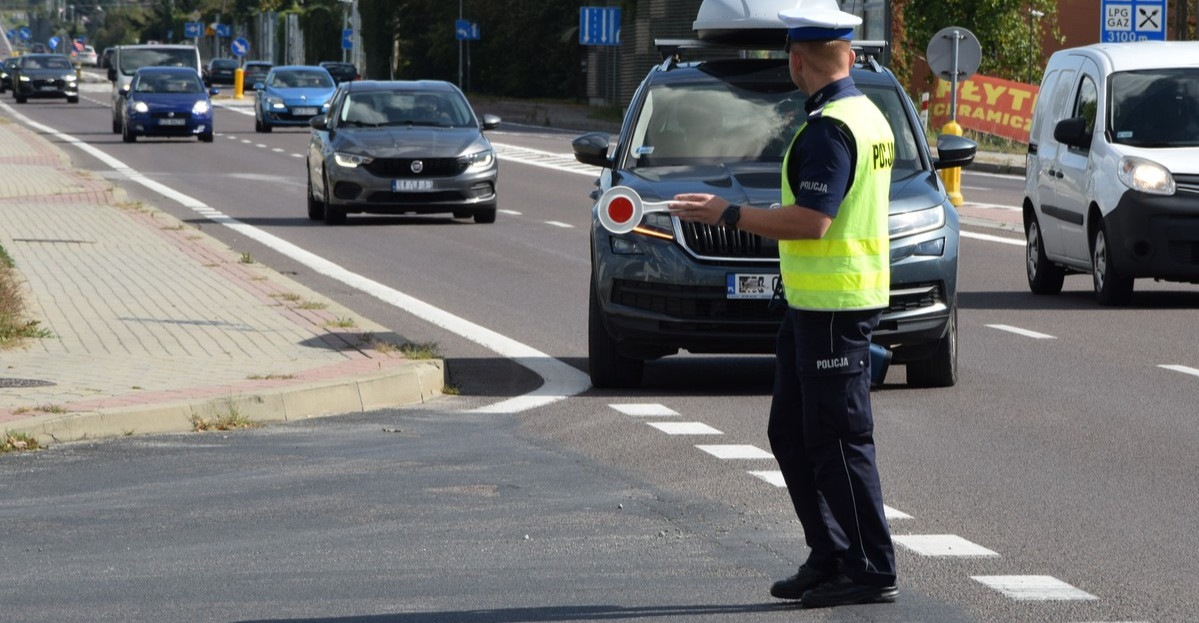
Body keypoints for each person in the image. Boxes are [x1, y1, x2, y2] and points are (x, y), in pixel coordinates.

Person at [668, 0, 898, 609]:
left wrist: (730, 214)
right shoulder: (866, 113)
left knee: (837, 440)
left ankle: (869, 567)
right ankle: (830, 554)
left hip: (834, 306)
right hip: (817, 304)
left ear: (797, 63)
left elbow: (814, 222)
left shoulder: (830, 130)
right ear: (847, 55)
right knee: (792, 434)